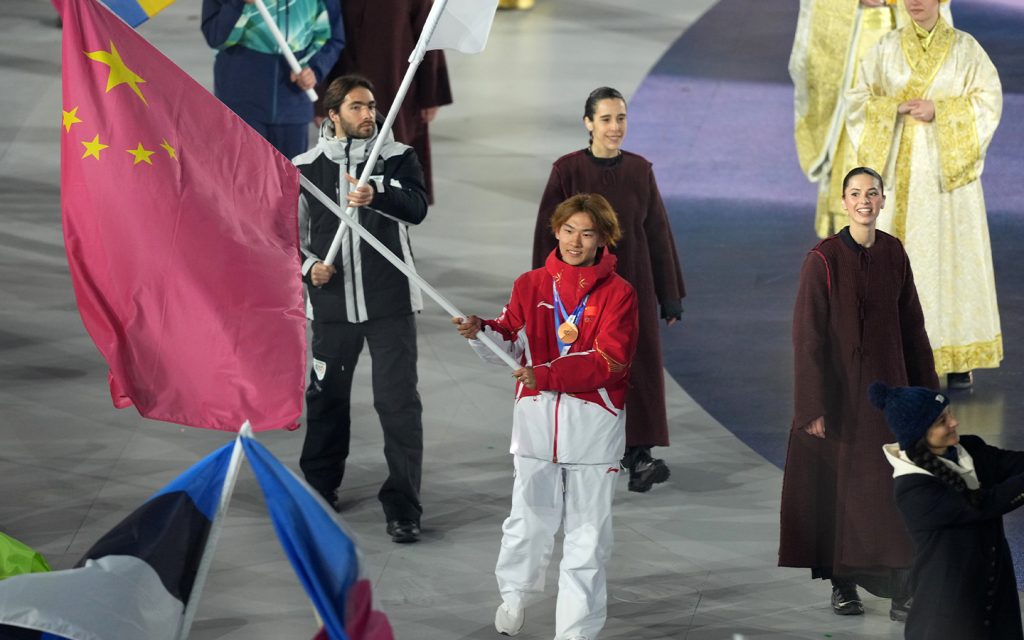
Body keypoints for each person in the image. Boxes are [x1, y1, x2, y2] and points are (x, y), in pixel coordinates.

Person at [454, 193, 638, 640]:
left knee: (587, 536)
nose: (576, 242)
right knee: (526, 521)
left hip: (594, 430)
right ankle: (514, 594)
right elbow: (511, 340)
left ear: (602, 240)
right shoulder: (531, 284)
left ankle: (575, 631)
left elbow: (612, 361)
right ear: (555, 231)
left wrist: (546, 373)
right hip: (535, 427)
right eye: (569, 230)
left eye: (587, 233)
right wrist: (483, 333)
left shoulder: (620, 293)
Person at [779, 167, 939, 621]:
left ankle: (902, 589)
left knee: (896, 489)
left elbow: (913, 329)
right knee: (842, 493)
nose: (864, 201)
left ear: (883, 200)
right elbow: (807, 338)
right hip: (841, 400)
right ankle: (843, 586)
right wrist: (812, 406)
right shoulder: (823, 260)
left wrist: (928, 400)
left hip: (889, 397)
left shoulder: (894, 253)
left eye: (872, 193)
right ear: (843, 202)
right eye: (855, 194)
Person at [294, 75, 429, 544]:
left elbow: (417, 208)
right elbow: (290, 238)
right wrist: (310, 268)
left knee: (398, 406)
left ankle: (403, 507)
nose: (368, 114)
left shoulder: (397, 157)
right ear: (332, 115)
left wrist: (378, 195)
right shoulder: (304, 168)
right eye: (356, 107)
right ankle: (318, 491)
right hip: (331, 309)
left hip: (390, 302)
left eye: (371, 106)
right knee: (326, 401)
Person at [531, 87, 684, 493]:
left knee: (639, 370)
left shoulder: (639, 171)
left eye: (621, 118)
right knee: (586, 365)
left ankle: (640, 456)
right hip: (579, 294)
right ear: (588, 124)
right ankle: (581, 455)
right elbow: (547, 236)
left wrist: (670, 294)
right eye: (605, 119)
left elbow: (657, 233)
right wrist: (542, 296)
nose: (615, 127)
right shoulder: (567, 171)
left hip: (633, 286)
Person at [846, 0, 1002, 390]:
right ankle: (897, 352)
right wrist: (890, 108)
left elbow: (989, 100)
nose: (915, 2)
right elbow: (858, 100)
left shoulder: (966, 48)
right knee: (901, 258)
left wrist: (941, 110)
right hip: (899, 173)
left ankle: (957, 354)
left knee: (952, 259)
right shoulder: (884, 48)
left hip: (945, 180)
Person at [872, 382, 1024, 639]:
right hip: (949, 607)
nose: (954, 422)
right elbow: (985, 504)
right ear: (919, 434)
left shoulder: (972, 449)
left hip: (995, 591)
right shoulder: (913, 489)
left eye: (950, 414)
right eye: (942, 421)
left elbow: (1015, 464)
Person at [315, 0, 452, 203]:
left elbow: (427, 32)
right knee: (344, 170)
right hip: (343, 86)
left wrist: (429, 94)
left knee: (395, 158)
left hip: (397, 86)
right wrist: (320, 100)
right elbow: (320, 36)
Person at [201, 0, 344, 159]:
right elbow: (215, 37)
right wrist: (239, 4)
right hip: (240, 106)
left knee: (290, 181)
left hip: (293, 108)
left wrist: (314, 69)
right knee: (243, 181)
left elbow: (334, 39)